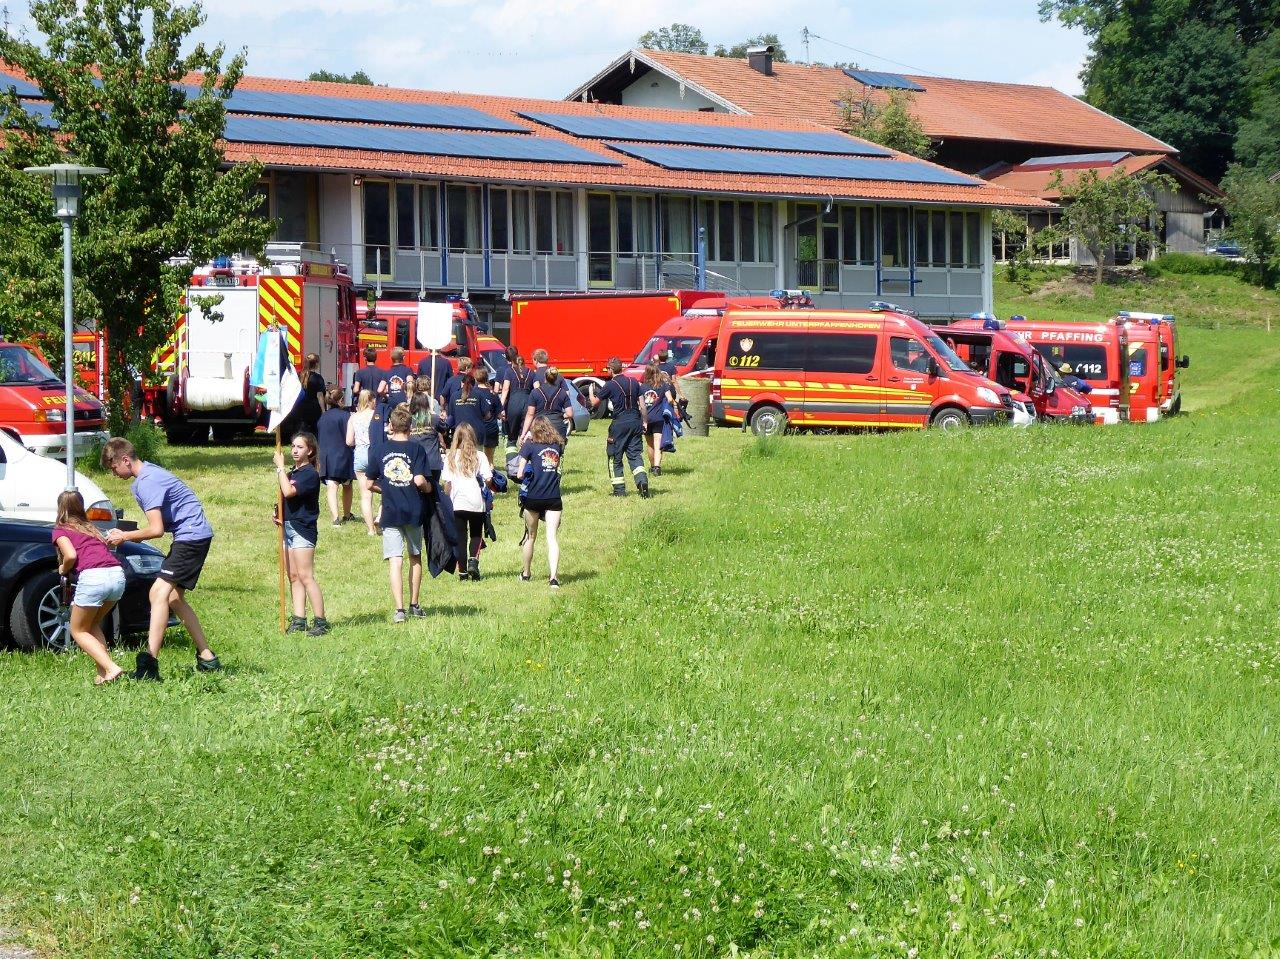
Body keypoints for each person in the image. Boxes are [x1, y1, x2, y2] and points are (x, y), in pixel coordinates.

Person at [102, 438, 220, 680]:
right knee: (174, 597)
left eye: (114, 468)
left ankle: (149, 665)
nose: (114, 474)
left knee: (158, 593)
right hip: (192, 535)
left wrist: (124, 536)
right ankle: (207, 657)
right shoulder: (149, 474)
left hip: (191, 537)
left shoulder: (147, 482)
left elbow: (156, 529)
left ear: (125, 460)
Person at [364, 405, 431, 623]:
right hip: (413, 509)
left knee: (395, 559)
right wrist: (429, 488)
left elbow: (369, 483)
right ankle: (414, 604)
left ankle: (399, 609)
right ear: (410, 427)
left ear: (391, 426)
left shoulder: (379, 450)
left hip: (390, 511)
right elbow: (419, 480)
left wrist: (387, 487)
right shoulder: (417, 449)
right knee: (415, 556)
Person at [53, 490, 126, 684]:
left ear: (60, 508)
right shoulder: (91, 528)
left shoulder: (61, 530)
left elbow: (70, 555)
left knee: (77, 630)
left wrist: (63, 568)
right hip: (117, 575)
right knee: (91, 624)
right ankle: (103, 674)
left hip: (94, 577)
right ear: (81, 506)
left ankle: (111, 667)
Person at [273, 432, 329, 636]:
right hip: (287, 528)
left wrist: (280, 468)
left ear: (310, 451)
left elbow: (289, 492)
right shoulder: (292, 474)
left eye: (300, 447)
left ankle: (321, 621)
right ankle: (299, 619)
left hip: (302, 529)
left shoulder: (309, 474)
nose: (295, 450)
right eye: (293, 446)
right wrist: (277, 512)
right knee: (293, 576)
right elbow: (284, 498)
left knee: (306, 576)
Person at [590, 358, 649, 497]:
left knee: (614, 456)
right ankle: (642, 482)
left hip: (619, 425)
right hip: (635, 422)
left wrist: (591, 391)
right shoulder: (634, 382)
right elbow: (643, 405)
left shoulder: (610, 385)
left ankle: (619, 490)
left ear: (611, 370)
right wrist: (645, 422)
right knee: (635, 455)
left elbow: (594, 403)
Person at [516, 416, 564, 589]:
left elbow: (519, 473)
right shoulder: (557, 446)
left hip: (533, 497)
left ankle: (526, 573)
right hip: (553, 497)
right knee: (551, 537)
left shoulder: (529, 446)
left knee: (531, 537)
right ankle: (553, 578)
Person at [441, 423, 492, 581]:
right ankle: (473, 561)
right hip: (476, 501)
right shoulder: (480, 456)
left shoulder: (451, 457)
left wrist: (446, 500)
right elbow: (488, 479)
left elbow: (447, 483)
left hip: (457, 502)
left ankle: (462, 572)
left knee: (460, 538)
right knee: (476, 534)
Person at [317, 386, 355, 526]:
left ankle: (335, 518)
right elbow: (350, 437)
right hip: (343, 455)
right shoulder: (346, 416)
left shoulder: (323, 417)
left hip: (327, 456)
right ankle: (347, 514)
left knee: (332, 486)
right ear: (341, 400)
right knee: (347, 485)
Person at [346, 389, 379, 535]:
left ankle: (371, 529)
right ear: (371, 400)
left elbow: (349, 441)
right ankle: (381, 516)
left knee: (365, 494)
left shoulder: (353, 417)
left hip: (359, 453)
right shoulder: (376, 415)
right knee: (386, 487)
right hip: (374, 452)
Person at [521, 366, 572, 444]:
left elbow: (530, 414)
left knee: (539, 449)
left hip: (540, 426)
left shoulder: (535, 392)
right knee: (556, 450)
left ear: (545, 377)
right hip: (558, 427)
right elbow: (570, 414)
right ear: (556, 378)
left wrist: (523, 434)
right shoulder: (562, 393)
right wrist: (560, 415)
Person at [640, 362, 675, 476]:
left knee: (650, 445)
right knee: (657, 443)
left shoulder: (642, 387)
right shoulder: (663, 385)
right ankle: (657, 467)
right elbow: (670, 399)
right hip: (659, 417)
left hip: (646, 418)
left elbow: (640, 404)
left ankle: (652, 466)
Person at [500, 348, 536, 452]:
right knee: (524, 434)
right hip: (528, 404)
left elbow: (505, 389)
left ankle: (511, 459)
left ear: (513, 362)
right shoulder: (531, 372)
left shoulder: (509, 371)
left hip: (513, 404)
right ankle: (524, 457)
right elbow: (537, 388)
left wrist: (501, 407)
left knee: (511, 437)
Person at [472, 367, 501, 463]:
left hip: (476, 428)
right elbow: (500, 415)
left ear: (475, 378)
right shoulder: (493, 394)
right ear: (487, 378)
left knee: (476, 458)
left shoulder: (472, 393)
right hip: (491, 428)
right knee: (489, 461)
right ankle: (490, 471)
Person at [294, 352, 326, 436]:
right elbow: (319, 396)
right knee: (314, 433)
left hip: (300, 407)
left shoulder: (299, 375)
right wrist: (323, 410)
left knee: (301, 432)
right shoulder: (318, 378)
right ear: (316, 364)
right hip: (314, 409)